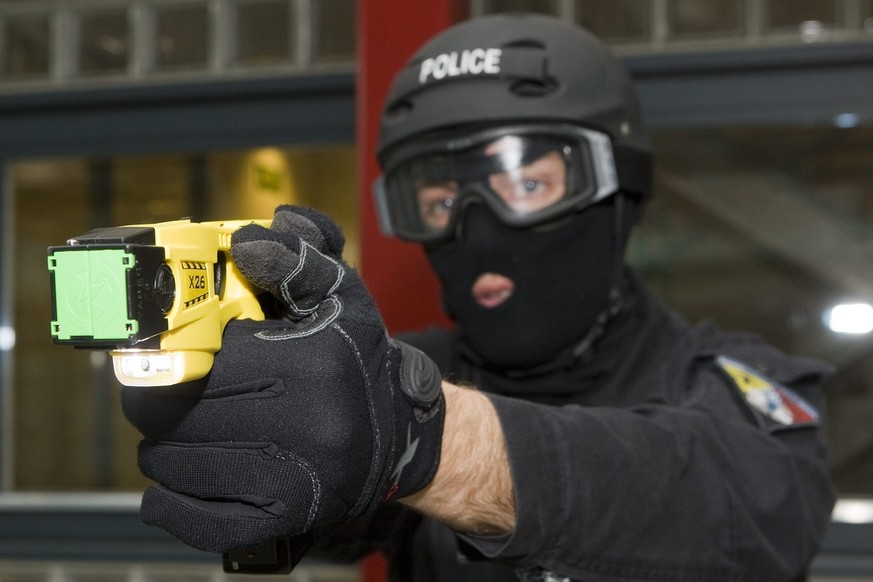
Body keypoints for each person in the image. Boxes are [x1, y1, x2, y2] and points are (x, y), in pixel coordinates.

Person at [120, 13, 836, 582]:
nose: (478, 229)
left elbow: (744, 516)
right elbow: (331, 506)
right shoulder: (400, 371)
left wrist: (424, 442)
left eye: (528, 183)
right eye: (435, 199)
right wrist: (270, 407)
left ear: (618, 188)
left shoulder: (726, 384)